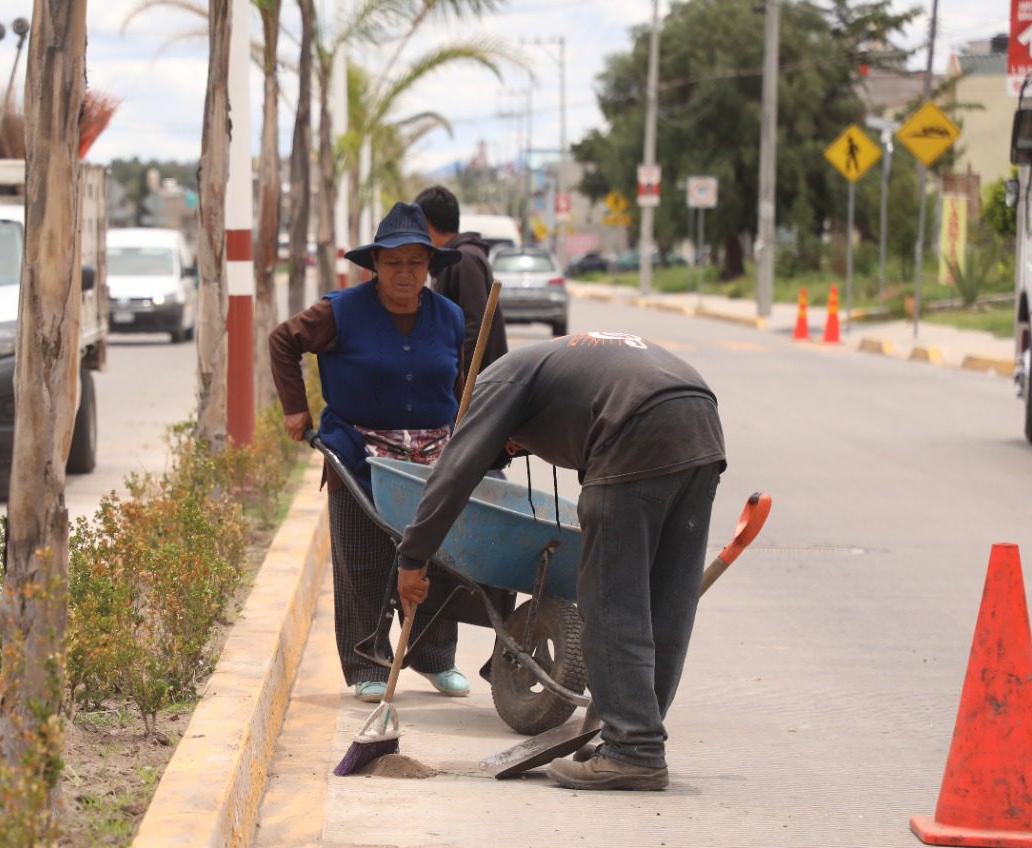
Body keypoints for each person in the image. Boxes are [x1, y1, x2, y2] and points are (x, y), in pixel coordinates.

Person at [395, 331, 727, 790]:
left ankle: (632, 749)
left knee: (611, 602)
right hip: (700, 423)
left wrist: (413, 555)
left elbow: (455, 474)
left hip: (635, 425)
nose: (516, 451)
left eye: (513, 448)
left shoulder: (499, 382)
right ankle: (634, 734)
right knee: (666, 602)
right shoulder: (553, 367)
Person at [270, 202, 471, 703]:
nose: (405, 273)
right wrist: (296, 410)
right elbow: (282, 341)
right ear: (374, 266)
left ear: (428, 266)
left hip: (433, 458)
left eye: (415, 263)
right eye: (394, 263)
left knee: (439, 559)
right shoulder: (340, 310)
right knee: (363, 559)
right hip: (358, 453)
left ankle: (434, 657)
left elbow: (459, 382)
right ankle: (366, 662)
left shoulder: (448, 316)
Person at [414, 184, 508, 393]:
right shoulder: (454, 258)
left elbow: (473, 326)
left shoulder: (463, 259)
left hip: (476, 388)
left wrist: (451, 380)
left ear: (426, 223)